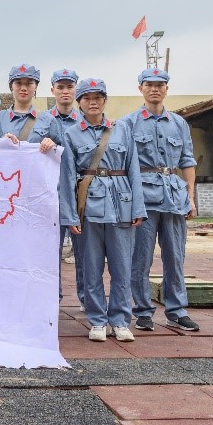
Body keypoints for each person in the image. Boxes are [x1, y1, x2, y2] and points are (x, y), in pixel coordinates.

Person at [57, 78, 145, 343]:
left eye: (97, 97)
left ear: (105, 100)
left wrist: (138, 207)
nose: (92, 102)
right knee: (91, 268)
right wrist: (70, 215)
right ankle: (97, 320)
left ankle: (120, 320)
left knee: (122, 268)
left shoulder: (123, 130)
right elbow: (67, 177)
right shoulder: (71, 134)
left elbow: (134, 170)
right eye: (87, 98)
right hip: (89, 207)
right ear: (79, 103)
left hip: (122, 205)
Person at [123, 68, 200, 333]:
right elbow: (123, 164)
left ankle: (176, 311)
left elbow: (187, 161)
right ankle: (143, 311)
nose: (155, 89)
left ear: (167, 89)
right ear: (140, 89)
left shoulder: (179, 123)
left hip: (174, 196)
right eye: (149, 84)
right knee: (140, 258)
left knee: (175, 257)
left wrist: (190, 197)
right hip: (143, 197)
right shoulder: (129, 123)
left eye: (160, 85)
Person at [30, 67, 83, 306]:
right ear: (52, 90)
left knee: (85, 253)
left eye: (69, 86)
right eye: (60, 87)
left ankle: (86, 300)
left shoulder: (85, 120)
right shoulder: (44, 119)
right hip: (53, 194)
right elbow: (32, 150)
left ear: (75, 90)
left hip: (84, 193)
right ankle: (55, 301)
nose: (65, 91)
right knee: (51, 252)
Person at [0, 64, 48, 141]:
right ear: (11, 86)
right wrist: (1, 143)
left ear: (36, 87)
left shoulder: (47, 119)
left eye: (29, 83)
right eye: (18, 83)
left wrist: (52, 145)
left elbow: (58, 150)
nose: (23, 88)